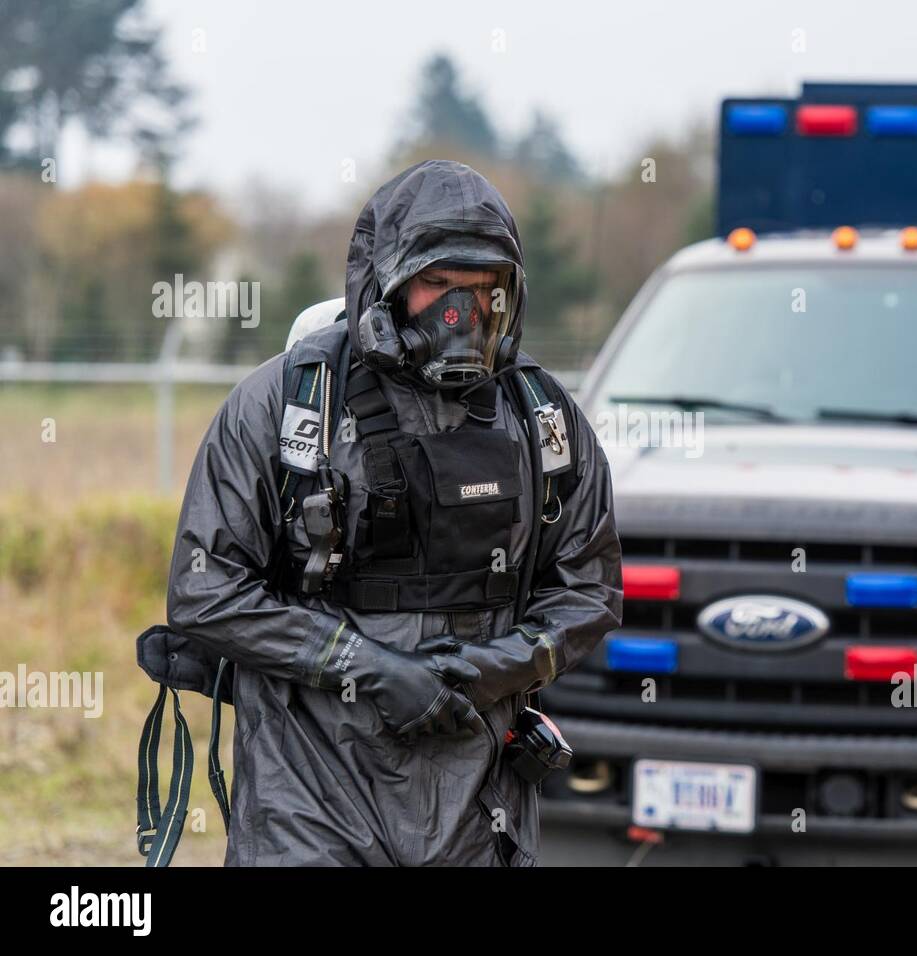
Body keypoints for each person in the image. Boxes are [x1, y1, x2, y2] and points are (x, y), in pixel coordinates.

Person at [164, 159, 623, 866]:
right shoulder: (284, 405)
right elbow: (204, 593)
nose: (459, 310)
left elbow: (588, 592)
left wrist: (484, 670)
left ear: (508, 292)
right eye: (438, 283)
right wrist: (368, 667)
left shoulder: (544, 421)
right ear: (389, 280)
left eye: (481, 288)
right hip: (307, 788)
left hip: (476, 794)